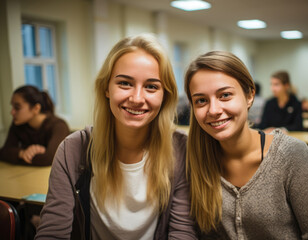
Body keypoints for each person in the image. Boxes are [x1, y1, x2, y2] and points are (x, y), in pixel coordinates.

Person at [35, 35, 196, 239]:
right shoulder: (74, 149)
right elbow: (53, 232)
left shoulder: (180, 149)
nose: (137, 98)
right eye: (125, 83)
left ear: (165, 96)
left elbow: (183, 233)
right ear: (106, 88)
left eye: (151, 86)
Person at [184, 51, 308, 239]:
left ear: (249, 96)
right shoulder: (195, 160)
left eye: (224, 95)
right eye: (201, 100)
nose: (213, 110)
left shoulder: (290, 155)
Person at [0, 85, 70, 166]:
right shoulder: (18, 124)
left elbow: (49, 159)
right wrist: (22, 153)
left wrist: (17, 156)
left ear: (36, 108)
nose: (12, 112)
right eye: (12, 107)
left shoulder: (59, 126)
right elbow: (3, 152)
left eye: (17, 107)